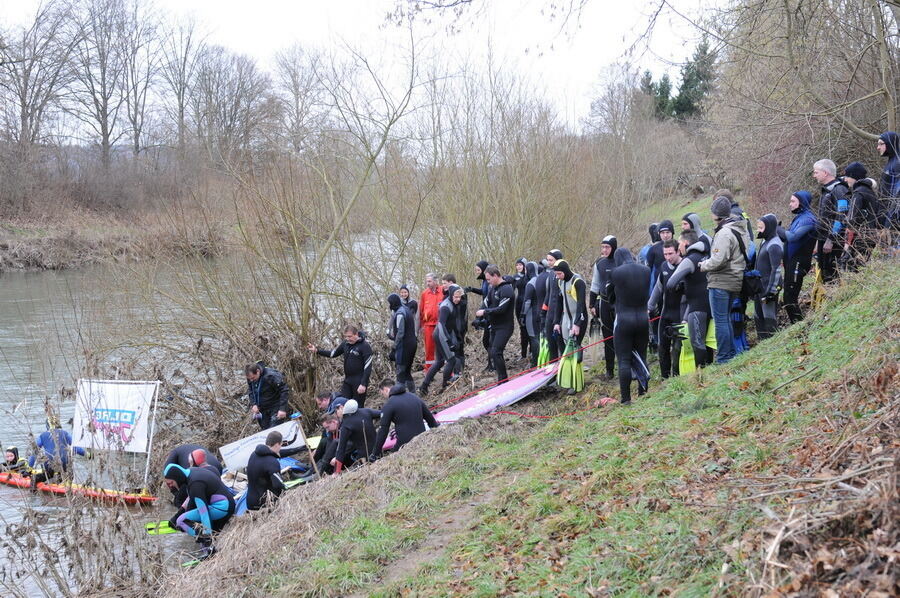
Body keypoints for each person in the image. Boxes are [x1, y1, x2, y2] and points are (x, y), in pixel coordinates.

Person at [700, 194, 751, 364]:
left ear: (716, 214)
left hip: (721, 280)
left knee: (720, 320)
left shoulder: (724, 233)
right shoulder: (739, 228)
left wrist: (702, 265)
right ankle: (729, 354)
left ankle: (723, 357)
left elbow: (717, 260)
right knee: (726, 318)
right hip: (735, 279)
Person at [163, 463, 235, 558]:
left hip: (223, 508)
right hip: (223, 504)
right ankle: (205, 548)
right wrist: (177, 515)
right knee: (184, 519)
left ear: (176, 477)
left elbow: (204, 512)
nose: (171, 486)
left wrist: (207, 536)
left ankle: (210, 548)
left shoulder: (195, 484)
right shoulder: (191, 473)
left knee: (181, 521)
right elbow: (190, 498)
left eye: (171, 483)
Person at [608, 249, 651, 405]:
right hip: (642, 318)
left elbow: (609, 295)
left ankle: (626, 399)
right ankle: (643, 393)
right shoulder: (646, 270)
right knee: (642, 356)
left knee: (624, 360)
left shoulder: (615, 272)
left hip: (624, 319)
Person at [668, 230, 713, 368]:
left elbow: (671, 283)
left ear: (686, 243)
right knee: (708, 343)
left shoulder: (689, 259)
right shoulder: (705, 255)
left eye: (679, 243)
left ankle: (700, 375)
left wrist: (679, 288)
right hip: (709, 304)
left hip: (696, 307)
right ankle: (710, 371)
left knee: (697, 343)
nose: (679, 246)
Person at [308, 324, 373, 407]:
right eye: (346, 337)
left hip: (359, 381)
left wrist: (363, 384)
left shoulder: (364, 346)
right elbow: (333, 354)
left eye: (350, 336)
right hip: (348, 380)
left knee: (358, 406)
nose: (348, 339)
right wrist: (317, 350)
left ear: (356, 334)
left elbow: (368, 366)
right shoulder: (345, 344)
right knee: (342, 405)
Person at [372, 379, 439, 458]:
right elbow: (429, 418)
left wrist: (375, 454)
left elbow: (383, 431)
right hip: (422, 439)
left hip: (405, 445)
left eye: (382, 393)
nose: (384, 397)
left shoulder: (389, 405)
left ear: (386, 390)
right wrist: (436, 429)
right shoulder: (414, 397)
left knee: (391, 455)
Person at [778, 191, 817, 324]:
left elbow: (794, 237)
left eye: (793, 201)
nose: (790, 204)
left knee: (790, 297)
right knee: (788, 296)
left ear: (802, 202)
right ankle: (797, 324)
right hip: (791, 262)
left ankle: (800, 325)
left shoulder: (808, 218)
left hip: (799, 262)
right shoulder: (799, 217)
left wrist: (779, 230)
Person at [246, 430, 306, 511]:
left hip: (250, 501)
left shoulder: (255, 454)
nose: (281, 447)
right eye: (281, 445)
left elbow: (276, 453)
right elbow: (278, 486)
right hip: (263, 504)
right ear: (277, 444)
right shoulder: (272, 462)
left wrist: (299, 449)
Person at [648, 240, 683, 378]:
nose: (668, 257)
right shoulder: (663, 266)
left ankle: (677, 377)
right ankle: (665, 378)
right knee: (662, 348)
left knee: (677, 349)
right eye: (665, 254)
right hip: (665, 313)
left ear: (678, 251)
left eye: (671, 253)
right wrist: (649, 307)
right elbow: (658, 288)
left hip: (680, 314)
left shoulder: (685, 265)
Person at [419, 285, 464, 394]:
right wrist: (449, 341)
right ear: (451, 295)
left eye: (459, 297)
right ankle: (445, 384)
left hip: (444, 333)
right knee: (451, 360)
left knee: (439, 362)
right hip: (440, 334)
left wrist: (457, 337)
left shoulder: (455, 303)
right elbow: (441, 325)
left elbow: (453, 323)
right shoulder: (445, 307)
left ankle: (424, 386)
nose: (458, 299)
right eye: (456, 297)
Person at [552, 259, 588, 394]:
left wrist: (577, 324)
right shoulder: (560, 282)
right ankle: (569, 377)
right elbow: (558, 303)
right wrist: (556, 322)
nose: (557, 276)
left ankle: (577, 381)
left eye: (559, 273)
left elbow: (581, 305)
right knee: (567, 348)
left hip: (579, 318)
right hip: (566, 318)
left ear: (565, 271)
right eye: (556, 274)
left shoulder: (577, 282)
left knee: (575, 347)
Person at [476, 265, 516, 383]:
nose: (488, 282)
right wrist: (479, 318)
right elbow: (486, 303)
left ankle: (503, 381)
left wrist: (485, 312)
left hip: (505, 327)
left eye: (489, 279)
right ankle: (501, 379)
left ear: (495, 276)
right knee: (493, 352)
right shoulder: (493, 288)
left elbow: (501, 309)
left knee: (496, 351)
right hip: (494, 326)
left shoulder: (507, 289)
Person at [812, 159, 850, 282]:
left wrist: (831, 239)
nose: (814, 175)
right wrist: (819, 241)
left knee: (831, 275)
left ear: (825, 173)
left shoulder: (839, 190)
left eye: (816, 172)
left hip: (834, 243)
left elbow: (842, 216)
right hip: (824, 239)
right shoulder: (827, 189)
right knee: (823, 274)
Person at [589, 235, 618, 379]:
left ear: (613, 247)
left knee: (621, 334)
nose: (604, 250)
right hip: (605, 303)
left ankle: (628, 365)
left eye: (607, 247)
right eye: (602, 247)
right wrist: (592, 304)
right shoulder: (599, 263)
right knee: (607, 337)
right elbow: (595, 284)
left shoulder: (621, 260)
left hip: (619, 304)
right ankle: (610, 369)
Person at [28, 418, 88, 485]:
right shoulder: (65, 433)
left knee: (44, 476)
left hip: (50, 465)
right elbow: (76, 448)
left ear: (47, 426)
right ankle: (64, 482)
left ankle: (34, 490)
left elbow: (34, 452)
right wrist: (88, 454)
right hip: (65, 465)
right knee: (68, 474)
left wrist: (30, 468)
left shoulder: (42, 436)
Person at [842, 162, 879, 268]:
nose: (845, 180)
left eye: (847, 176)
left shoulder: (858, 193)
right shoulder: (869, 191)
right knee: (863, 268)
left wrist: (847, 243)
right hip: (871, 236)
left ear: (853, 176)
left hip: (859, 239)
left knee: (851, 267)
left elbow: (851, 220)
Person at [754, 214, 783, 340]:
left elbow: (776, 270)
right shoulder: (765, 241)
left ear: (769, 227)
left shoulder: (774, 244)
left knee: (769, 318)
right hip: (760, 287)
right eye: (758, 227)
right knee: (758, 316)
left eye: (761, 228)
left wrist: (770, 292)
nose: (758, 231)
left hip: (768, 288)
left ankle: (774, 344)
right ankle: (762, 343)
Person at [332, 399, 381, 474]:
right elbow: (384, 413)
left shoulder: (346, 425)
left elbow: (341, 449)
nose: (336, 414)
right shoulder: (366, 411)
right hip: (379, 452)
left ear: (341, 408)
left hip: (366, 459)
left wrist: (336, 472)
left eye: (336, 411)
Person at [464, 260, 493, 370]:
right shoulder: (485, 281)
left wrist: (480, 316)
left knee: (488, 340)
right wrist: (472, 289)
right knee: (486, 341)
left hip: (489, 311)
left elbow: (488, 298)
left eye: (478, 270)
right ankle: (491, 362)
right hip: (485, 311)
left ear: (484, 270)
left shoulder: (489, 281)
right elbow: (483, 292)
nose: (476, 272)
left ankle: (492, 364)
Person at [245, 362, 290, 430]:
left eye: (253, 378)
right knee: (266, 432)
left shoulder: (271, 375)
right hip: (262, 409)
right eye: (250, 379)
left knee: (274, 430)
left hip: (275, 406)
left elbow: (284, 390)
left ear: (258, 371)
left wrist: (282, 409)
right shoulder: (251, 377)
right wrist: (253, 404)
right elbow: (251, 391)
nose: (251, 380)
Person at [387, 293, 417, 393]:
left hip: (405, 347)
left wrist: (393, 349)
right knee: (407, 372)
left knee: (400, 373)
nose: (389, 305)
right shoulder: (405, 309)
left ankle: (399, 397)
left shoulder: (400, 314)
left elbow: (400, 333)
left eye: (389, 303)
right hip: (412, 344)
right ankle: (413, 394)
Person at [541, 250, 565, 362]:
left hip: (560, 314)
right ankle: (553, 368)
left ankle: (564, 369)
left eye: (551, 260)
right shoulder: (551, 274)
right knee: (551, 343)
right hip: (550, 313)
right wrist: (543, 311)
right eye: (548, 260)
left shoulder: (564, 274)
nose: (549, 262)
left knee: (560, 343)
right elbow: (548, 294)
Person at [442, 273, 467, 374]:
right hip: (454, 327)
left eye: (445, 283)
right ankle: (458, 372)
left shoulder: (460, 295)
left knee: (458, 351)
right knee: (455, 351)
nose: (443, 285)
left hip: (458, 326)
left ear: (451, 283)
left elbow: (460, 311)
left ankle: (459, 372)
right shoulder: (449, 295)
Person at [419, 274, 442, 373]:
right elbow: (421, 310)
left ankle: (445, 366)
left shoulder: (443, 291)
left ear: (435, 281)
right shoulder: (424, 294)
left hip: (441, 323)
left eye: (429, 281)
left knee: (443, 345)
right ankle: (429, 368)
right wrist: (421, 326)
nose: (427, 283)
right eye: (427, 281)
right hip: (428, 324)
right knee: (429, 347)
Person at [877, 132, 899, 228]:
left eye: (881, 144)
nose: (878, 147)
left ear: (889, 143)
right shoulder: (891, 162)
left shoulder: (897, 164)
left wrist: (889, 223)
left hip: (893, 220)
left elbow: (896, 195)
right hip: (885, 215)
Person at [513, 258, 530, 360]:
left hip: (528, 304)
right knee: (522, 329)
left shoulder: (529, 276)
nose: (518, 267)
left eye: (521, 265)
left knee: (530, 330)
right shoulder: (515, 277)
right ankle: (523, 354)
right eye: (517, 265)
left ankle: (532, 352)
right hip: (518, 304)